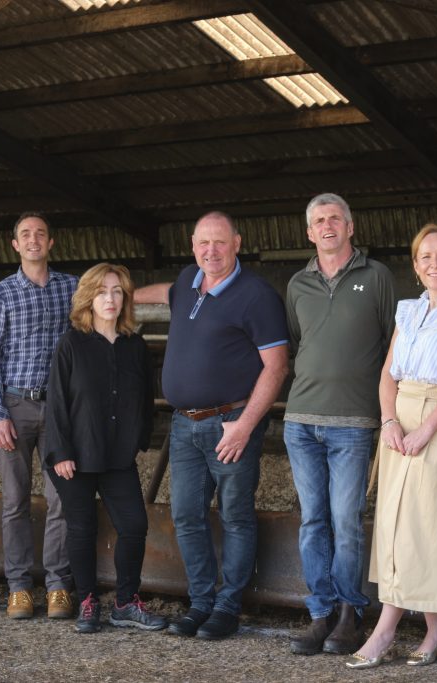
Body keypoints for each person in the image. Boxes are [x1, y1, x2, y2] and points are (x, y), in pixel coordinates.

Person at [135, 211, 289, 641]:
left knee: (236, 515)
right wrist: (118, 291)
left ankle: (227, 606)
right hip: (184, 425)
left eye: (220, 242)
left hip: (230, 423)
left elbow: (275, 368)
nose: (212, 251)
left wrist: (244, 425)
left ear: (237, 243)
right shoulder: (188, 280)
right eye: (204, 243)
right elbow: (164, 291)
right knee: (186, 515)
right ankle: (200, 601)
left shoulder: (257, 295)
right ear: (192, 245)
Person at [347, 224, 437, 669]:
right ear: (415, 266)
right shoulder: (408, 311)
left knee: (426, 525)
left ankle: (385, 630)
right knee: (397, 525)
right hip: (400, 419)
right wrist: (389, 421)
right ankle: (435, 629)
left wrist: (426, 429)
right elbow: (388, 374)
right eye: (425, 257)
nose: (434, 264)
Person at [284, 193, 396, 656]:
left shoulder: (377, 276)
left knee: (346, 519)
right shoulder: (297, 284)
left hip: (353, 421)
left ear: (351, 227)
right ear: (309, 233)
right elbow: (297, 340)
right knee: (313, 521)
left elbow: (396, 342)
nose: (327, 226)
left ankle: (351, 614)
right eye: (318, 221)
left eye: (335, 219)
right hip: (300, 420)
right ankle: (319, 614)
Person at [44, 263, 167, 634]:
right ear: (88, 299)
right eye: (101, 292)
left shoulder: (134, 345)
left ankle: (127, 602)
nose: (110, 299)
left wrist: (139, 438)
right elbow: (56, 402)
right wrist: (61, 451)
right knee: (81, 528)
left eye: (116, 292)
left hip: (117, 456)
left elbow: (146, 397)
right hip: (75, 457)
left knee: (134, 525)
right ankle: (87, 600)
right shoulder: (72, 343)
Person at [0, 212, 78, 620]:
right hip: (16, 406)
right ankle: (19, 588)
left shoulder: (71, 288)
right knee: (15, 500)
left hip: (58, 409)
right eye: (26, 235)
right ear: (15, 244)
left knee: (62, 499)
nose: (34, 240)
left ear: (51, 242)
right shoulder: (2, 292)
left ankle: (58, 586)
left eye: (40, 233)